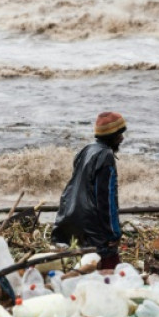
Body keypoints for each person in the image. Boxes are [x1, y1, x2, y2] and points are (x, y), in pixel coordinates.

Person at [52, 112, 126, 269]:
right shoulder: (105, 156)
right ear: (111, 136)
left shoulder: (86, 150)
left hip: (72, 219)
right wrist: (114, 233)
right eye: (119, 134)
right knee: (109, 268)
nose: (122, 138)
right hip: (94, 227)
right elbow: (106, 199)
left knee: (83, 266)